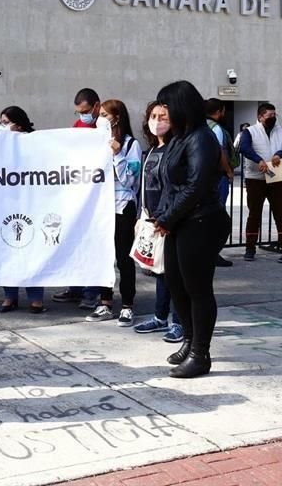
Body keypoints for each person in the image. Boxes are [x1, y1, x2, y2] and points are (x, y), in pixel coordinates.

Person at [153, 81, 231, 379]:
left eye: (165, 106)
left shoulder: (201, 138)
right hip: (178, 223)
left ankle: (201, 353)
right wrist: (164, 217)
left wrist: (168, 218)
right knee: (176, 283)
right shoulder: (178, 137)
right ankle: (189, 339)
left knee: (198, 289)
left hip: (201, 221)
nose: (161, 112)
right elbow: (170, 183)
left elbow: (195, 186)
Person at [82, 99, 142, 326]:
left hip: (121, 206)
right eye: (100, 115)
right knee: (102, 256)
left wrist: (117, 155)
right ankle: (105, 301)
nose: (100, 119)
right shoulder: (94, 144)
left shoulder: (130, 145)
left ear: (117, 118)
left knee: (123, 258)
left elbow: (130, 180)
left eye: (105, 115)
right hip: (100, 207)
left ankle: (128, 305)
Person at [132, 102, 183, 344]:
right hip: (151, 220)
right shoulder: (151, 150)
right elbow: (144, 187)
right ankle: (160, 316)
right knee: (160, 272)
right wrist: (141, 217)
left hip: (169, 221)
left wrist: (167, 217)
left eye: (163, 116)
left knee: (176, 274)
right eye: (153, 115)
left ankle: (180, 322)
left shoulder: (176, 150)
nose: (157, 121)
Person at [0, 106, 46, 314]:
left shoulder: (35, 144)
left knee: (31, 251)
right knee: (8, 251)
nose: (2, 127)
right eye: (1, 122)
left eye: (6, 122)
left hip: (31, 203)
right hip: (6, 203)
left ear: (20, 124)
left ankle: (36, 298)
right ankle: (10, 296)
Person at [53, 87, 102, 305]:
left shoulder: (104, 126)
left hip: (98, 194)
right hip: (79, 191)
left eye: (85, 110)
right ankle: (75, 287)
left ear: (96, 106)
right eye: (79, 112)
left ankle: (92, 292)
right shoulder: (78, 126)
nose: (82, 115)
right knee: (76, 242)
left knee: (95, 247)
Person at [238, 103, 282, 263]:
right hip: (255, 178)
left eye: (274, 115)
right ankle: (250, 248)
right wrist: (258, 160)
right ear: (260, 117)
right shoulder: (249, 132)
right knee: (254, 214)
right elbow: (244, 148)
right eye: (269, 115)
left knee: (280, 215)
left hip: (277, 178)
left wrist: (281, 153)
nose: (272, 118)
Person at [204, 98, 235, 268]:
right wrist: (229, 171)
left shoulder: (198, 126)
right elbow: (221, 151)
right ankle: (212, 252)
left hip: (204, 177)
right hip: (216, 177)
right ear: (220, 111)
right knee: (218, 217)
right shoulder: (216, 129)